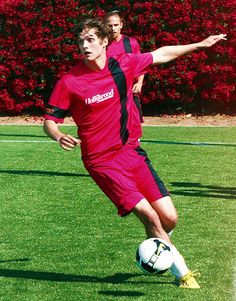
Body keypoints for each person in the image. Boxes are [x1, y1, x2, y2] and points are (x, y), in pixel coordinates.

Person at [43, 17, 226, 289]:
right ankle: (183, 274)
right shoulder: (70, 82)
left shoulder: (123, 64)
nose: (85, 46)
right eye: (81, 41)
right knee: (150, 217)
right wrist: (58, 135)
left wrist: (199, 44)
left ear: (105, 41)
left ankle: (157, 245)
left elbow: (160, 54)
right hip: (101, 162)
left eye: (91, 39)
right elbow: (49, 121)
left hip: (131, 152)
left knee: (169, 217)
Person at [104, 10, 144, 122]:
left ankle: (135, 140)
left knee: (134, 120)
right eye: (109, 25)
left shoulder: (130, 43)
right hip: (109, 90)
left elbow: (140, 64)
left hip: (129, 89)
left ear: (121, 25)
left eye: (116, 25)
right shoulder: (102, 44)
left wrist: (139, 82)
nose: (113, 28)